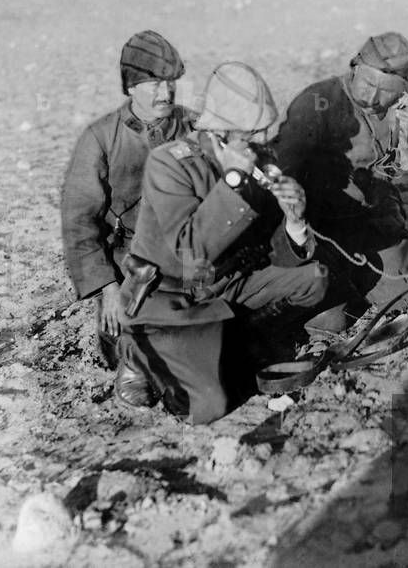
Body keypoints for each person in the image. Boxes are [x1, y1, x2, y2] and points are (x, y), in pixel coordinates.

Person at [116, 62, 328, 424]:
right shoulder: (170, 165)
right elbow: (191, 252)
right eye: (250, 137)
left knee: (315, 279)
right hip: (174, 298)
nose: (260, 147)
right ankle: (135, 352)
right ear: (219, 134)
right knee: (206, 407)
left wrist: (294, 222)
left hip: (228, 285)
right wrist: (232, 183)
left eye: (263, 136)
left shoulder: (257, 160)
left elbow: (270, 248)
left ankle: (233, 340)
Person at [273, 32, 408, 320]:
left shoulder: (407, 109)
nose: (373, 98)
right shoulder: (317, 102)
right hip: (321, 228)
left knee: (401, 305)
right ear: (354, 67)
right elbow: (285, 169)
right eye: (368, 83)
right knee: (328, 321)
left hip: (375, 227)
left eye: (386, 90)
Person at [61, 30, 191, 368]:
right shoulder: (100, 138)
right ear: (131, 86)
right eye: (155, 84)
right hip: (130, 265)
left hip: (188, 253)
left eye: (170, 82)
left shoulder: (192, 126)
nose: (167, 93)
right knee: (128, 357)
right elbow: (80, 223)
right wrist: (107, 290)